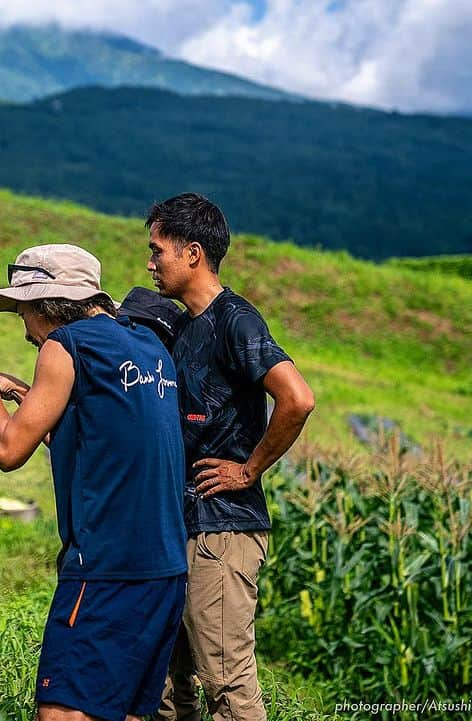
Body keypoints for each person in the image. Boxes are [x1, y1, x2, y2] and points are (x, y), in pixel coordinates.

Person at [0, 243, 188, 721]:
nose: (25, 329)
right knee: (124, 712)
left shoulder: (66, 346)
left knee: (61, 713)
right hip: (164, 569)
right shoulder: (146, 344)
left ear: (45, 303)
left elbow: (10, 450)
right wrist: (20, 390)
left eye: (23, 311)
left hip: (104, 569)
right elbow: (100, 440)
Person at [145, 193, 315, 721]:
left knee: (227, 683)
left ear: (193, 253)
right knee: (171, 685)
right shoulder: (182, 326)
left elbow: (298, 397)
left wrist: (249, 468)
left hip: (223, 530)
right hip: (181, 528)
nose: (150, 264)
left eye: (158, 251)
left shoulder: (235, 320)